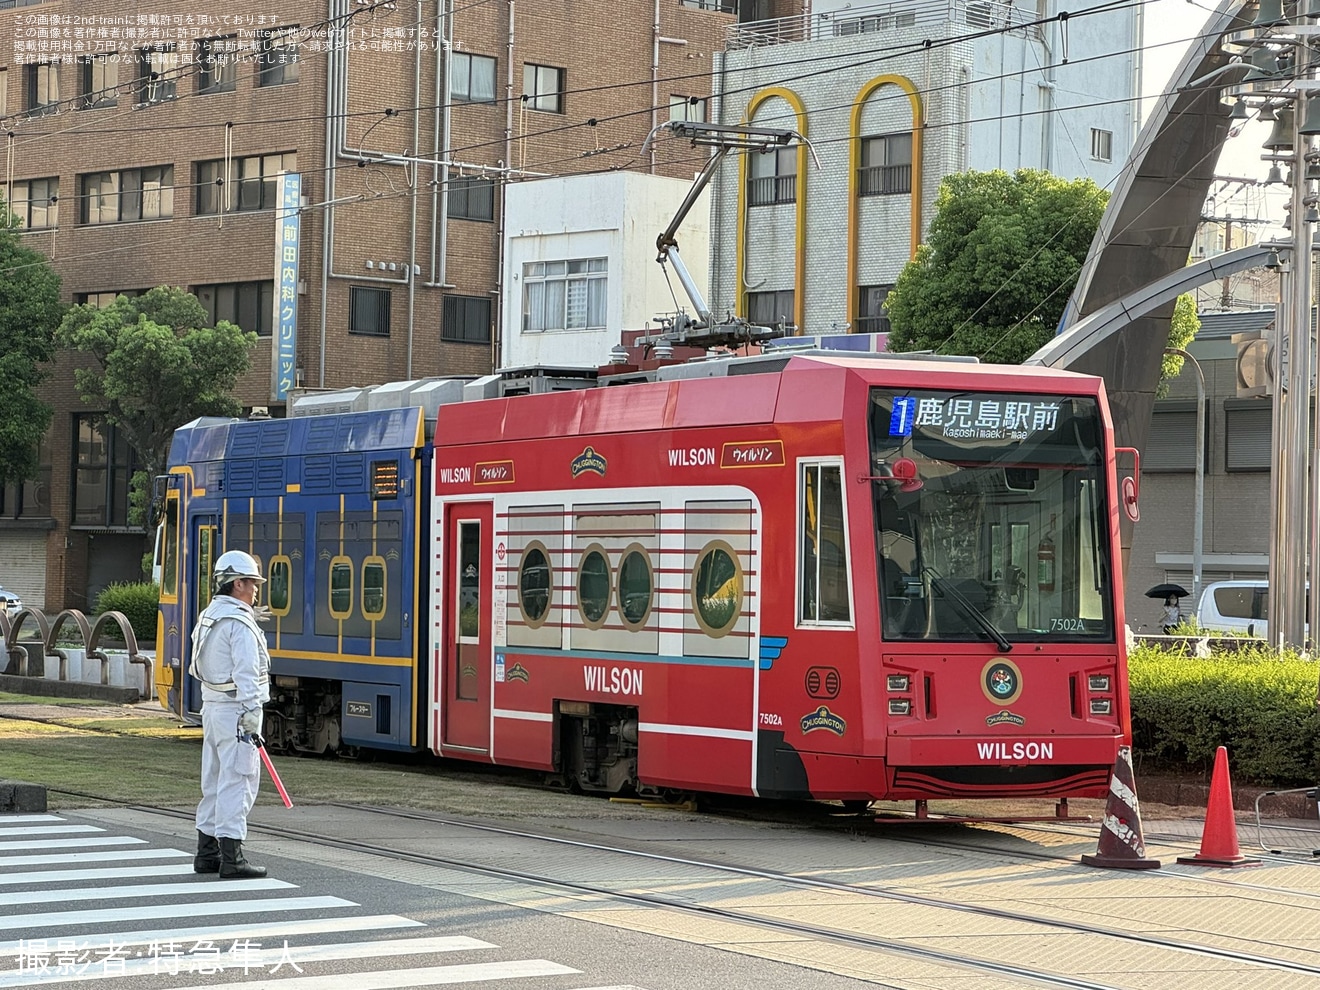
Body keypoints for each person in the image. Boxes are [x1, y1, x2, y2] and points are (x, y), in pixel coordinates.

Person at [191, 549, 270, 879]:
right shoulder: (239, 624)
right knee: (239, 779)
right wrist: (252, 713)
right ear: (238, 583)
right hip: (238, 711)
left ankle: (207, 853)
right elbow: (248, 673)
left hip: (212, 707)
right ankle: (232, 857)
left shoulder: (209, 615)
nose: (255, 590)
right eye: (252, 583)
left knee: (214, 779)